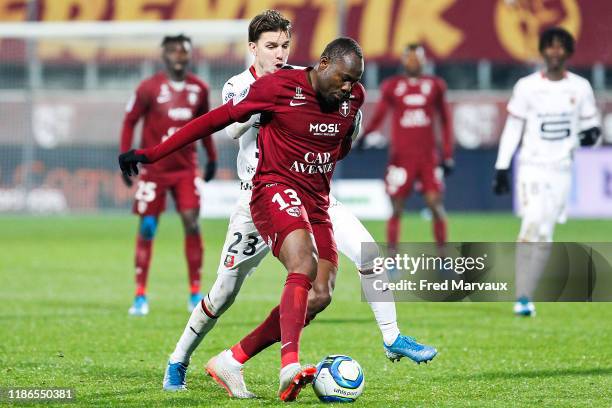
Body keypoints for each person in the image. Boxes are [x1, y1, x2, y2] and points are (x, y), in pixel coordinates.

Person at [119, 36, 433, 402]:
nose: (349, 88)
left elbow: (342, 138)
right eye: (271, 45)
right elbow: (217, 121)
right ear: (324, 63)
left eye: (284, 44)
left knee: (323, 291)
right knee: (231, 289)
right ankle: (202, 360)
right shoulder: (262, 87)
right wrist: (151, 154)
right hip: (266, 191)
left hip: (316, 199)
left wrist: (329, 148)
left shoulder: (351, 98)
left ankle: (233, 360)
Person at [493, 27, 601, 317]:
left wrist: (592, 136)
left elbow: (592, 129)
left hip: (562, 169)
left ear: (568, 52)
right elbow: (514, 127)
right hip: (532, 166)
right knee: (532, 223)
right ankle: (522, 295)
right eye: (550, 47)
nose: (555, 52)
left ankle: (527, 293)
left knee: (545, 232)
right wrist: (502, 165)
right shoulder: (527, 87)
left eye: (560, 47)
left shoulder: (580, 88)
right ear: (542, 51)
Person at [120, 34, 218, 316]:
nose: (179, 56)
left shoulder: (199, 89)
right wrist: (126, 156)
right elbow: (129, 122)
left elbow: (207, 126)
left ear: (189, 55)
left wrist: (211, 158)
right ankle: (140, 295)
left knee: (191, 222)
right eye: (174, 51)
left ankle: (195, 293)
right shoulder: (148, 88)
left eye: (184, 51)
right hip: (154, 170)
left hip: (185, 169)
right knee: (148, 226)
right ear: (164, 55)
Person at [358, 44, 453, 254]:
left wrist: (447, 154)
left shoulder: (435, 85)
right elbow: (380, 114)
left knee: (436, 206)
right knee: (396, 209)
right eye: (409, 58)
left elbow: (446, 121)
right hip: (401, 158)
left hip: (428, 158)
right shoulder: (392, 86)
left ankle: (443, 255)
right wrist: (365, 136)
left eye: (417, 58)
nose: (413, 62)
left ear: (424, 60)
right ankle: (392, 255)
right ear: (403, 61)